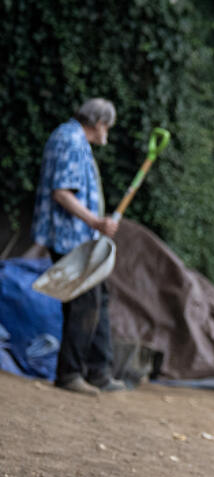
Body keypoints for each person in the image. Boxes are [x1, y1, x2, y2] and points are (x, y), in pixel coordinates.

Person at [32, 98, 125, 395]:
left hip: (80, 237)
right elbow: (62, 192)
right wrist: (96, 222)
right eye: (107, 126)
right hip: (70, 236)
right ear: (98, 123)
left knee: (98, 298)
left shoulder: (72, 139)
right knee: (84, 304)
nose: (107, 133)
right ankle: (70, 373)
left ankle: (99, 370)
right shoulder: (70, 140)